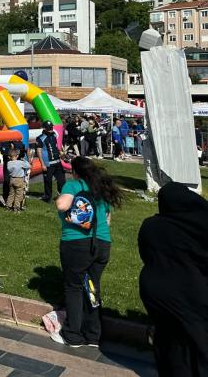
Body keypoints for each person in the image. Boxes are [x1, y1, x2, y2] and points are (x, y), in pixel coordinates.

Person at [51, 156, 123, 348]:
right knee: (92, 287)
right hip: (102, 243)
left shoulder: (73, 186)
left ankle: (73, 334)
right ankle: (93, 334)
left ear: (75, 172)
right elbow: (107, 220)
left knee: (73, 287)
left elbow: (62, 205)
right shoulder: (101, 191)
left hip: (77, 243)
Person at [138, 182, 208, 376]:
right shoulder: (201, 225)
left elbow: (145, 254)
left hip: (154, 291)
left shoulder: (150, 225)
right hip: (189, 291)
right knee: (198, 338)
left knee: (167, 337)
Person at [37, 120, 64, 203]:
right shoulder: (40, 138)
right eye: (49, 128)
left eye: (51, 127)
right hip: (48, 163)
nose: (51, 129)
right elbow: (39, 151)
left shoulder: (54, 135)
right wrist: (42, 164)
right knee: (48, 181)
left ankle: (62, 195)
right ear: (44, 128)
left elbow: (56, 146)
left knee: (62, 180)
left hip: (57, 161)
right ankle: (47, 196)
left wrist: (60, 152)